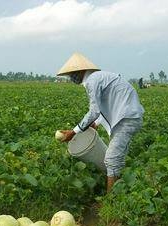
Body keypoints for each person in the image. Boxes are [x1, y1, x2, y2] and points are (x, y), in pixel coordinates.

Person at [57, 52, 145, 192]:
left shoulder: (92, 80)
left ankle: (111, 200)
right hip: (125, 118)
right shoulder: (98, 78)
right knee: (116, 160)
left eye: (72, 74)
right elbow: (106, 104)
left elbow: (94, 111)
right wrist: (96, 123)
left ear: (80, 71)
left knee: (110, 159)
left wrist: (73, 132)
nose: (71, 77)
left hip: (126, 119)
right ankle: (122, 190)